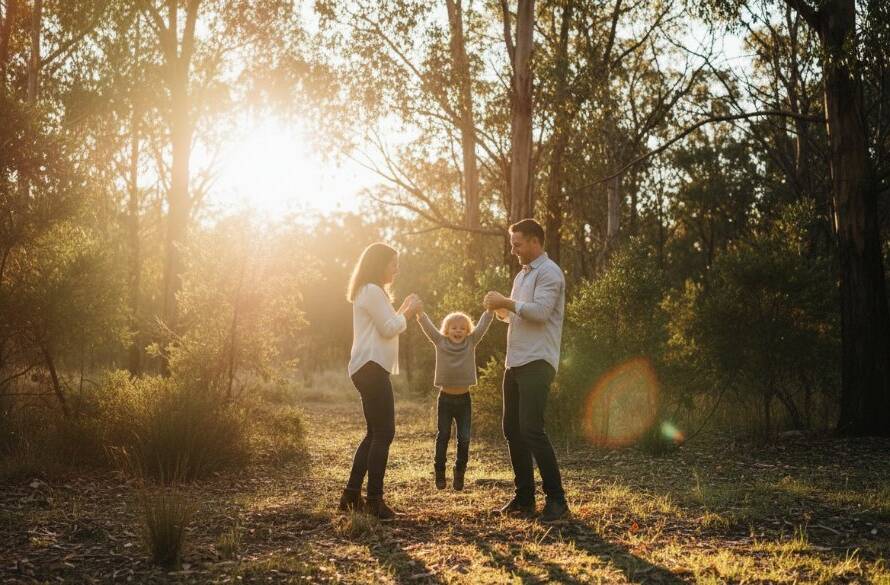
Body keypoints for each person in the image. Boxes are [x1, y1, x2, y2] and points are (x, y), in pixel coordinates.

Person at [484, 218, 569, 522]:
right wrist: (500, 310)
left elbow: (541, 313)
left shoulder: (550, 273)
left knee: (532, 429)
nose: (513, 250)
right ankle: (524, 498)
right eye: (512, 244)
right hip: (515, 362)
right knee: (512, 430)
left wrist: (506, 301)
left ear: (534, 241)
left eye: (517, 244)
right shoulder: (522, 275)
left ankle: (557, 500)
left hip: (538, 361)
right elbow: (517, 315)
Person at [340, 242, 422, 519]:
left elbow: (386, 323)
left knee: (374, 434)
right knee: (384, 433)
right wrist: (408, 311)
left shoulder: (369, 291)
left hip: (367, 367)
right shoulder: (373, 290)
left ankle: (351, 497)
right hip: (371, 368)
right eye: (393, 264)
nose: (396, 270)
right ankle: (374, 501)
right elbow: (389, 329)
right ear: (379, 264)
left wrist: (401, 310)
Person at [416, 309, 494, 490]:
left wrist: (489, 312)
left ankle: (459, 472)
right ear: (446, 330)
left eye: (462, 328)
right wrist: (421, 314)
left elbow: (482, 327)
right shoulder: (440, 341)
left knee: (464, 438)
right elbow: (429, 329)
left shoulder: (471, 342)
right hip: (445, 399)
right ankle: (440, 471)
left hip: (464, 400)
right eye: (454, 328)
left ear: (467, 331)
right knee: (443, 435)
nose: (458, 331)